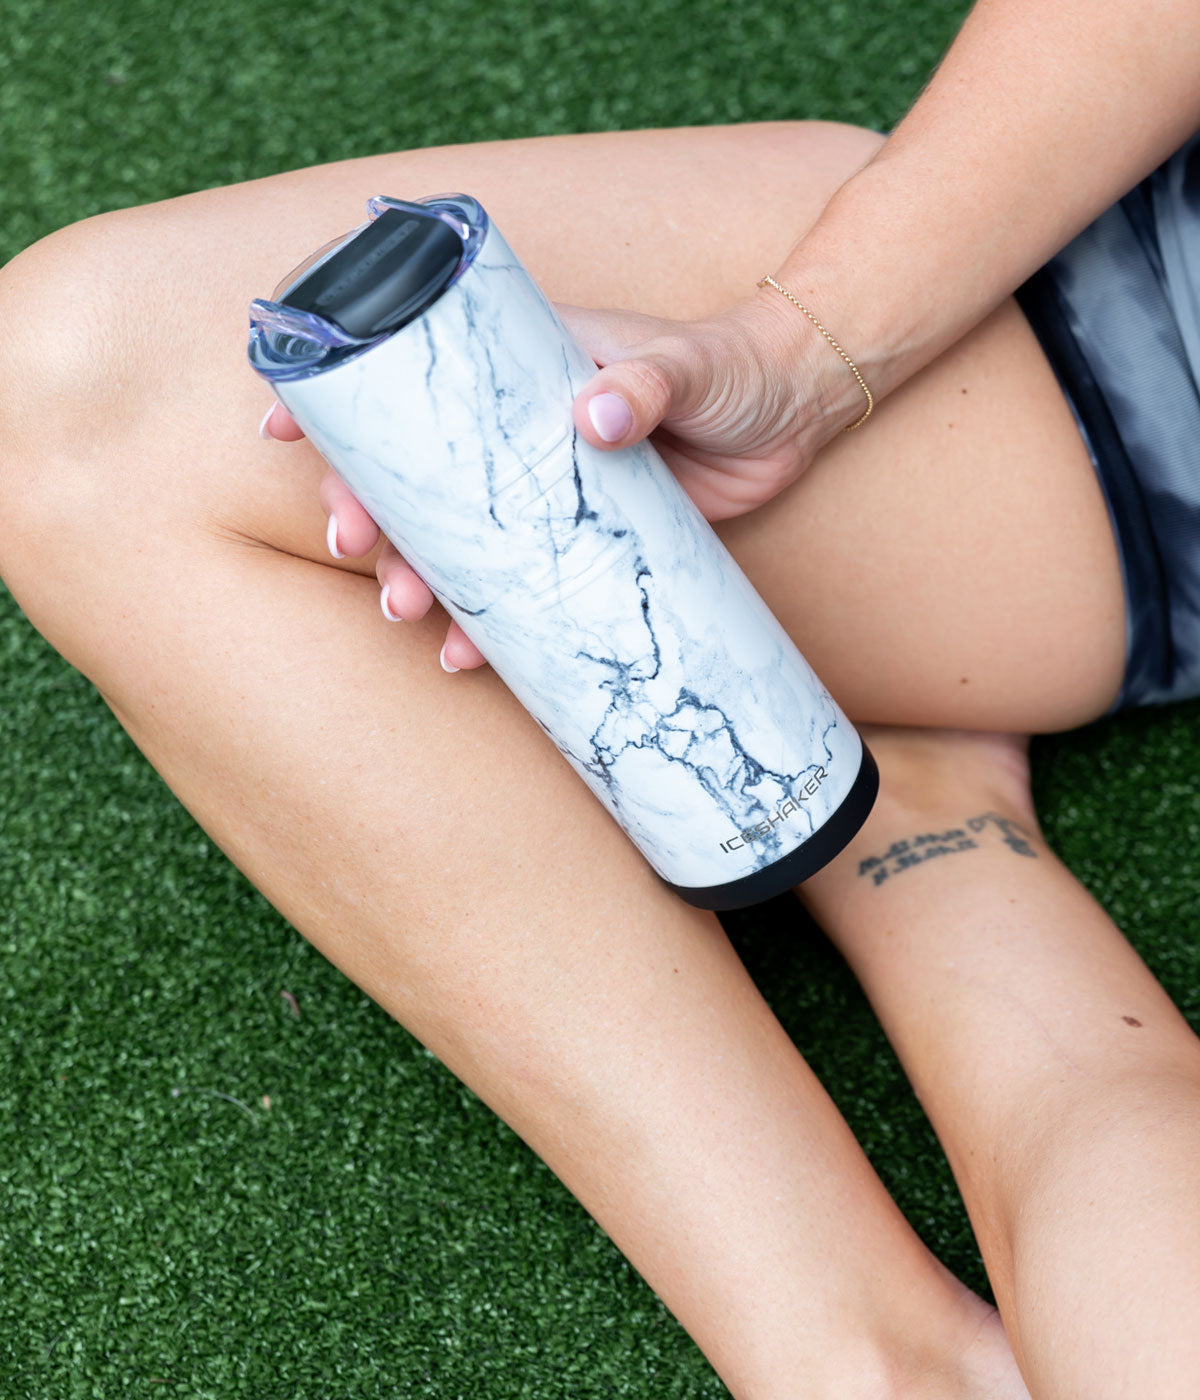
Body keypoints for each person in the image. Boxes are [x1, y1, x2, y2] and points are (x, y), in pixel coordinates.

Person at [1, 0, 1198, 1391]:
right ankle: (859, 1294)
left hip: (1110, 427)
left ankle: (916, 883)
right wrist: (803, 355)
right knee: (76, 398)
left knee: (78, 404)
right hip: (1092, 312)